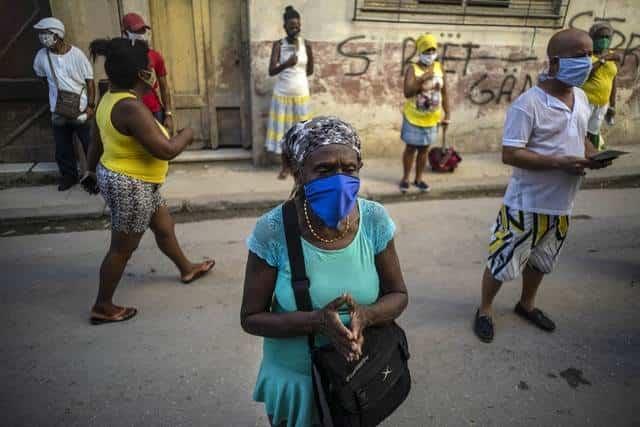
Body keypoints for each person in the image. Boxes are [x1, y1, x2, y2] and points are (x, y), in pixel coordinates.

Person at [240, 117, 408, 426]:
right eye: (325, 170)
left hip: (357, 375)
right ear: (299, 172)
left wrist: (368, 315)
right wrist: (317, 322)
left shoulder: (374, 220)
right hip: (298, 378)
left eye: (350, 169)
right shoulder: (273, 230)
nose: (340, 179)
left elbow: (398, 294)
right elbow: (251, 318)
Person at [473, 29, 611, 343]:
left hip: (562, 206)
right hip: (525, 206)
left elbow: (584, 139)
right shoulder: (529, 104)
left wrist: (594, 156)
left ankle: (526, 304)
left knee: (541, 261)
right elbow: (511, 153)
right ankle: (484, 309)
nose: (588, 62)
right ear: (555, 61)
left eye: (590, 54)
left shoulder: (582, 98)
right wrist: (560, 162)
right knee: (502, 262)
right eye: (579, 55)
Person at [83, 38, 215, 324]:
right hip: (131, 185)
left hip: (136, 181)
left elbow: (96, 142)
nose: (152, 71)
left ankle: (186, 268)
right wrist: (188, 133)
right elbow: (166, 150)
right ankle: (102, 305)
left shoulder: (108, 98)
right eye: (149, 67)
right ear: (143, 75)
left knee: (164, 227)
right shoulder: (130, 108)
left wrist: (91, 171)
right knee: (122, 249)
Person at [33, 17, 95, 191]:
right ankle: (69, 177)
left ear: (57, 34)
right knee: (62, 148)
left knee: (90, 144)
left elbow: (90, 81)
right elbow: (42, 78)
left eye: (46, 33)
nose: (42, 37)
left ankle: (97, 176)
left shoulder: (77, 55)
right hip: (58, 110)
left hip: (80, 110)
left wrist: (90, 106)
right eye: (41, 34)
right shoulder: (41, 56)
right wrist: (54, 95)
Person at [265, 5, 314, 180]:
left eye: (297, 26)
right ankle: (285, 167)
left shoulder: (306, 45)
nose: (295, 29)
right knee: (284, 133)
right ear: (285, 26)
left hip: (301, 96)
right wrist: (287, 64)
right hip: (282, 96)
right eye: (291, 26)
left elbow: (309, 71)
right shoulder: (279, 45)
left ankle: (300, 166)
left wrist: (298, 76)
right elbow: (271, 70)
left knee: (301, 132)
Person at [399, 33, 451, 193]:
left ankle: (419, 179)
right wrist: (422, 79)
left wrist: (447, 114)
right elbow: (407, 92)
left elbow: (445, 92)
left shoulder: (439, 67)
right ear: (420, 51)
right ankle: (406, 178)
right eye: (427, 51)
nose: (430, 54)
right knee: (410, 148)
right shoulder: (412, 69)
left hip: (432, 118)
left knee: (424, 150)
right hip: (413, 118)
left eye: (433, 51)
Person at [121, 12, 175, 135]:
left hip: (155, 112)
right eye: (137, 31)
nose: (141, 35)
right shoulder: (121, 58)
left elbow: (164, 87)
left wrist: (168, 114)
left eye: (143, 31)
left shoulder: (154, 56)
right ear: (125, 33)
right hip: (132, 112)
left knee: (160, 149)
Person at [581, 22, 620, 151]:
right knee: (580, 128)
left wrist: (612, 105)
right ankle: (579, 153)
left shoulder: (612, 56)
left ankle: (592, 152)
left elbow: (613, 81)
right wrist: (603, 59)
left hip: (602, 103)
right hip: (586, 101)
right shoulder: (586, 54)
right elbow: (586, 74)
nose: (604, 40)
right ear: (593, 38)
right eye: (600, 37)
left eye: (607, 37)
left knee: (593, 129)